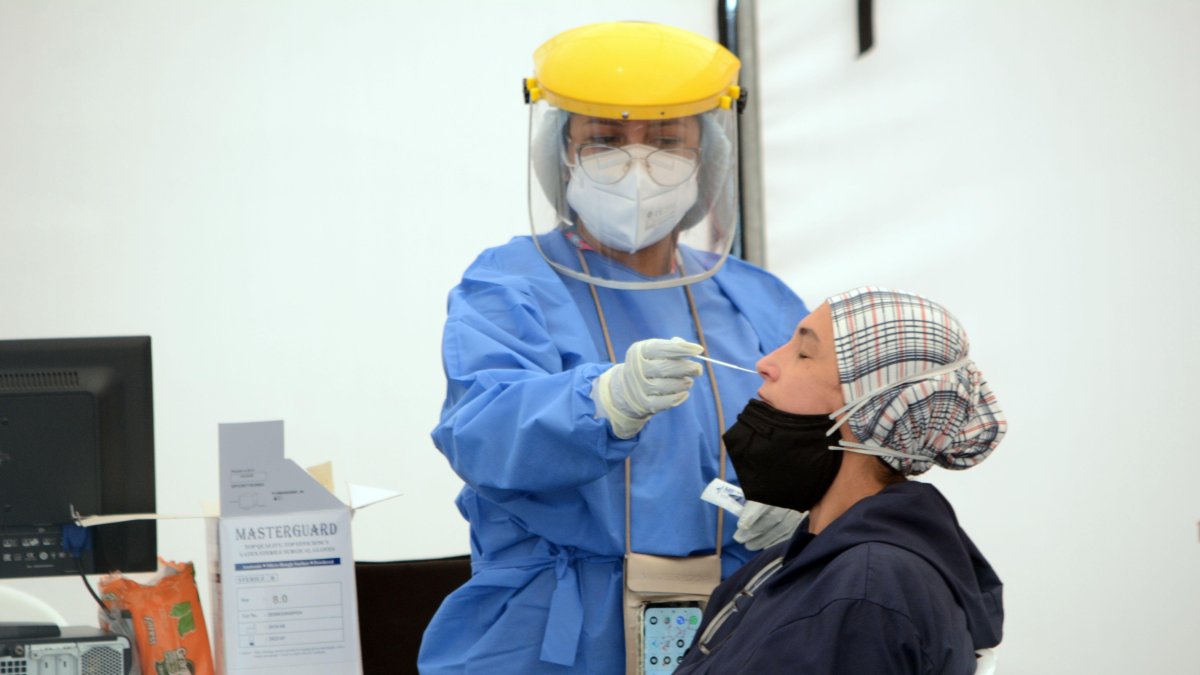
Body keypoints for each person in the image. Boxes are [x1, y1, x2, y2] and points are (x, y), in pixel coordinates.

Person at [418, 21, 809, 674]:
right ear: (561, 156)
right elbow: (480, 430)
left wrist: (801, 500)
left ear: (707, 157)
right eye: (603, 141)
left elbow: (828, 435)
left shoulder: (756, 298)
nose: (636, 168)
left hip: (733, 618)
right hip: (550, 632)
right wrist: (602, 400)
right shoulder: (511, 283)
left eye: (665, 141)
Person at [675, 287, 1007, 674]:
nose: (766, 363)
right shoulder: (790, 564)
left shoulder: (868, 589)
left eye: (803, 353)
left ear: (870, 411)